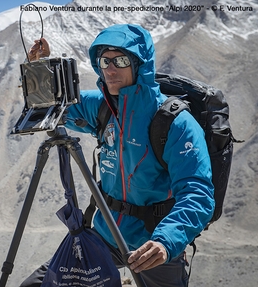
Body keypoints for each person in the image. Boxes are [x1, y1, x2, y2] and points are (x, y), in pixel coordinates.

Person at [21, 24, 214, 287]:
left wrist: (165, 243)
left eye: (120, 61)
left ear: (139, 64)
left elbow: (197, 194)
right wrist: (43, 67)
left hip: (153, 245)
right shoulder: (102, 107)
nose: (110, 70)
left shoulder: (175, 123)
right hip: (105, 236)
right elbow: (55, 104)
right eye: (104, 61)